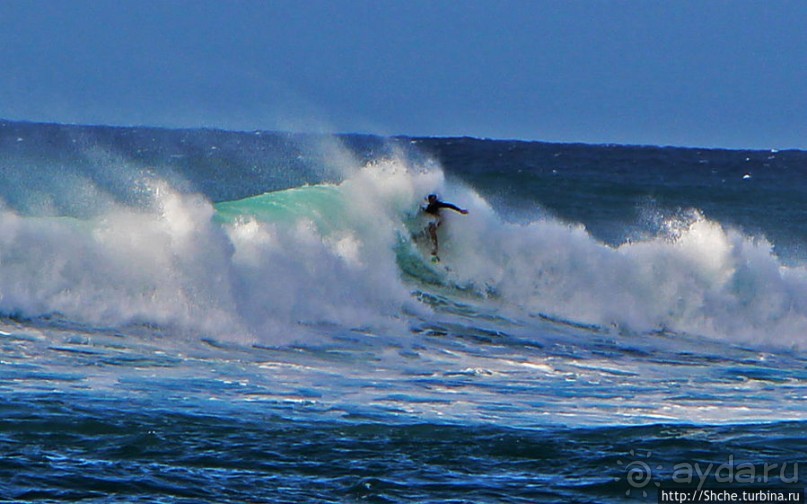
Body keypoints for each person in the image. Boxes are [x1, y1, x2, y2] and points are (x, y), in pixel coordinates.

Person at [422, 193, 468, 260]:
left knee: (432, 230)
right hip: (435, 218)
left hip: (441, 219)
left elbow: (449, 206)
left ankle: (435, 249)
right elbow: (425, 210)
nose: (433, 201)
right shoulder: (429, 206)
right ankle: (423, 239)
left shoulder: (437, 204)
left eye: (434, 200)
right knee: (428, 228)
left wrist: (460, 210)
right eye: (431, 200)